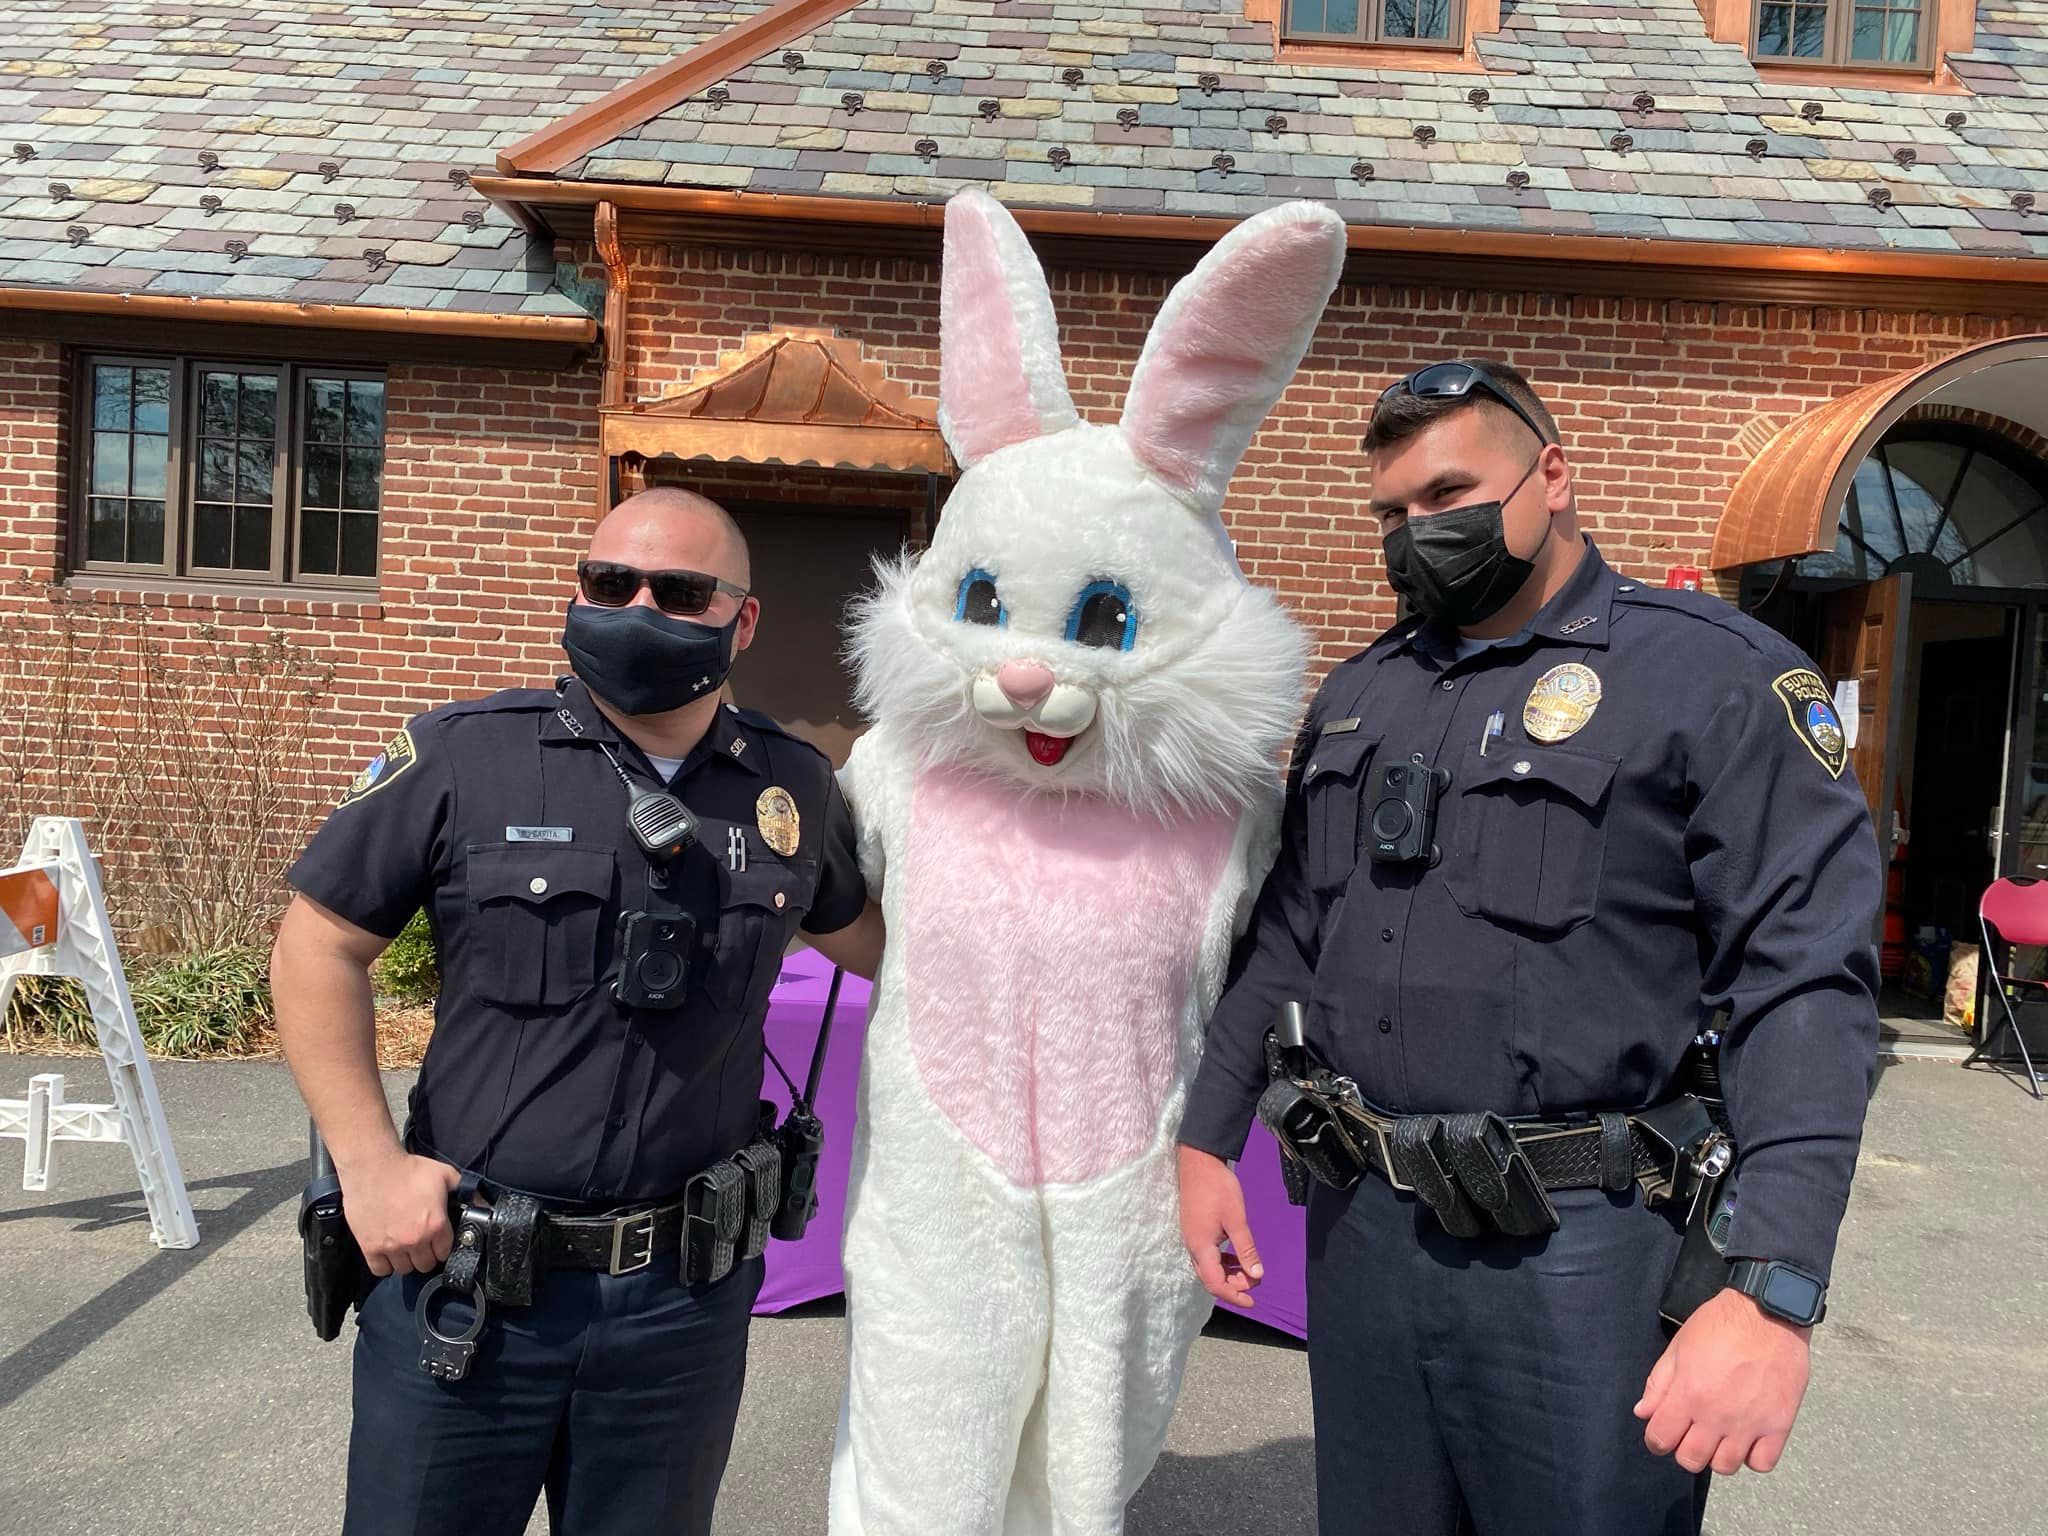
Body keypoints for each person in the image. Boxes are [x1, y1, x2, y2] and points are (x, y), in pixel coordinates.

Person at [1175, 360, 1881, 1536]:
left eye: (1448, 494)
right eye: (1391, 512)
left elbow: (1803, 985)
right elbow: (1292, 930)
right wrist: (1206, 1140)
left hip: (1582, 1251)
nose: (1417, 532)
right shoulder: (1361, 695)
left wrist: (1770, 1289)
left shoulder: (1712, 677)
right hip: (1363, 1232)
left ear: (1550, 475)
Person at [271, 486, 883, 1536]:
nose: (637, 608)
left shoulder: (793, 787)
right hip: (469, 1285)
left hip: (681, 1308)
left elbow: (872, 940)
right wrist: (368, 1166)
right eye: (610, 583)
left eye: (678, 591)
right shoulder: (465, 755)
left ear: (741, 621)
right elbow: (318, 945)